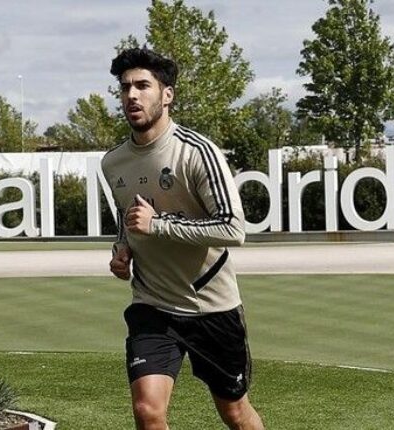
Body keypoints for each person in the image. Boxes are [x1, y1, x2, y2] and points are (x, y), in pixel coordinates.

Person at [101, 48, 265, 430]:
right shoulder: (112, 163)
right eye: (125, 87)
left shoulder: (197, 152)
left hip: (212, 308)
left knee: (235, 412)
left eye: (143, 85)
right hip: (152, 305)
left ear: (167, 95)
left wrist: (158, 225)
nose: (132, 96)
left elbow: (232, 228)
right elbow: (127, 221)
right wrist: (121, 250)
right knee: (148, 410)